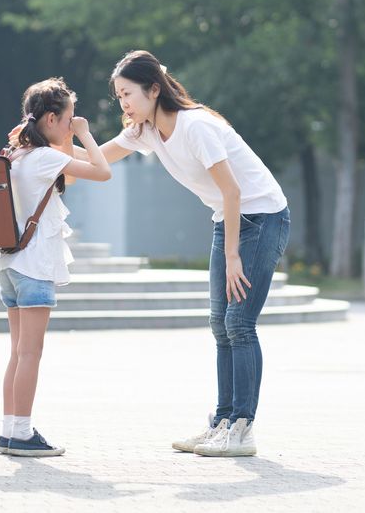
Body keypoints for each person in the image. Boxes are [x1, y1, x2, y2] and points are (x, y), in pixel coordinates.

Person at [61, 50, 289, 457]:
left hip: (263, 216)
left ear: (153, 89)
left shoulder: (196, 126)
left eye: (128, 94)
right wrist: (47, 146)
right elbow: (98, 160)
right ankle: (222, 422)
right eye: (118, 97)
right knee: (220, 325)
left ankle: (242, 429)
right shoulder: (146, 130)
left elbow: (234, 190)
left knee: (239, 323)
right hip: (229, 218)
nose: (124, 104)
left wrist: (233, 255)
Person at [0, 78, 111, 457]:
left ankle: (10, 429)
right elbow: (101, 171)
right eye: (68, 119)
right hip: (35, 266)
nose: (72, 125)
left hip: (11, 263)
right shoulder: (45, 158)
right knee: (30, 354)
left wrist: (64, 137)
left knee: (17, 353)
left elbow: (71, 176)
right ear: (50, 118)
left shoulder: (18, 156)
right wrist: (86, 135)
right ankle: (23, 433)